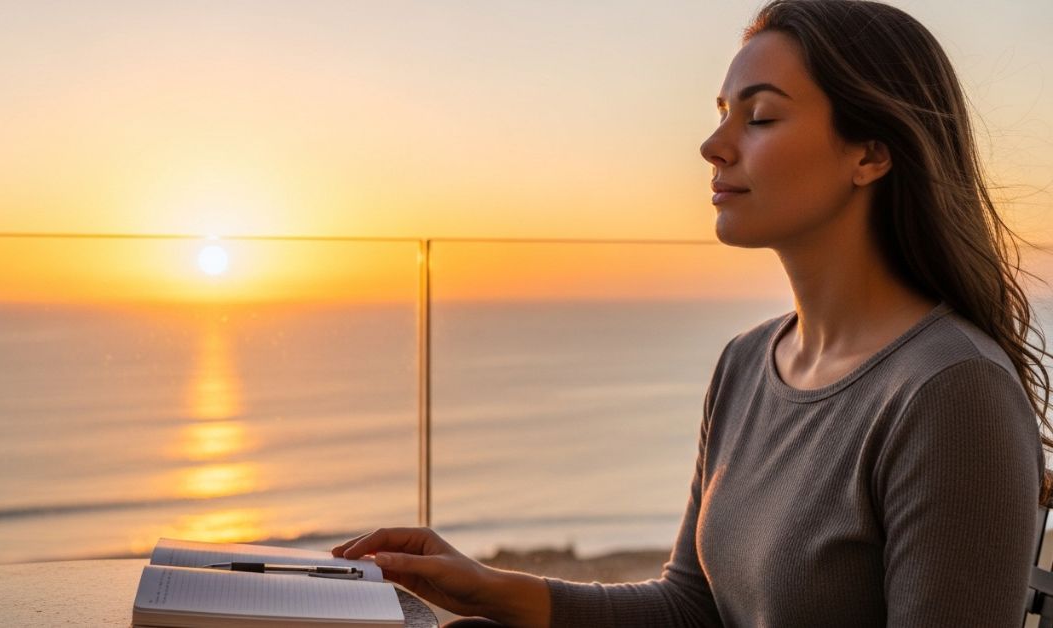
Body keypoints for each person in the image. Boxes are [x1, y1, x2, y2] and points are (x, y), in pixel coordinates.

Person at [332, 1, 1052, 625]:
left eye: (761, 116)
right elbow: (692, 609)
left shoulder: (953, 394)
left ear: (870, 153)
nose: (714, 147)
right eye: (722, 114)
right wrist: (492, 591)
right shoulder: (747, 362)